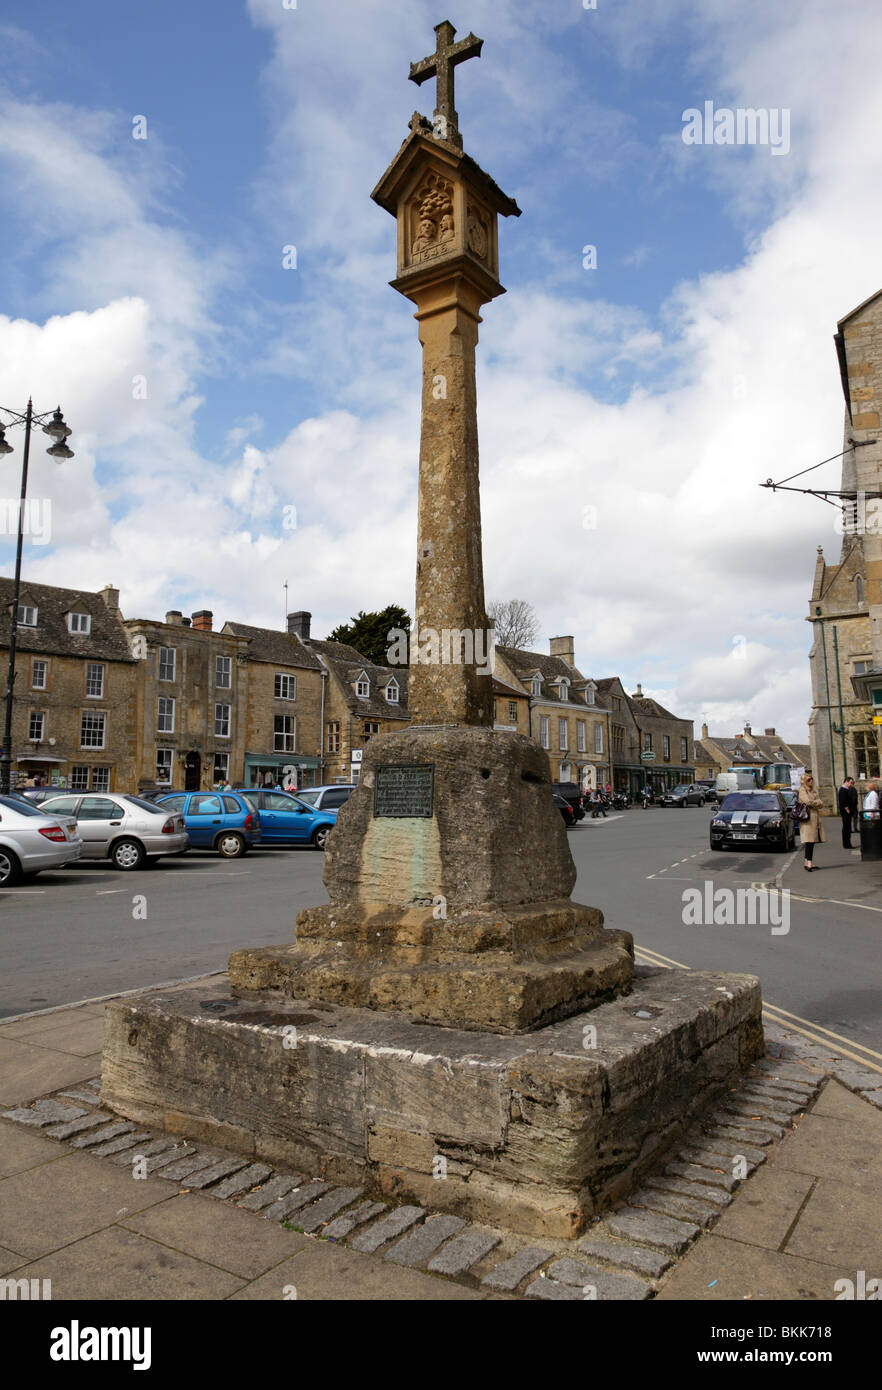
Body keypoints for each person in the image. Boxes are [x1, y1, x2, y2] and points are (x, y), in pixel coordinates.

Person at [797, 771, 825, 871]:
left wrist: (816, 803)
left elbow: (821, 803)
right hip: (807, 818)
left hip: (814, 818)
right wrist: (816, 802)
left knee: (811, 841)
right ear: (804, 781)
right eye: (809, 779)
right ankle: (809, 863)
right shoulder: (802, 790)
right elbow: (807, 801)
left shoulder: (813, 790)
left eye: (812, 779)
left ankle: (807, 862)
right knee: (809, 841)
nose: (811, 781)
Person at [838, 776, 858, 849]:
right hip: (845, 812)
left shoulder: (845, 789)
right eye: (851, 783)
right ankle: (847, 844)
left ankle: (847, 844)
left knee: (847, 828)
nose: (851, 785)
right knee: (847, 828)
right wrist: (848, 810)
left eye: (852, 783)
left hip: (847, 811)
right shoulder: (843, 790)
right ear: (846, 782)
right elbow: (843, 802)